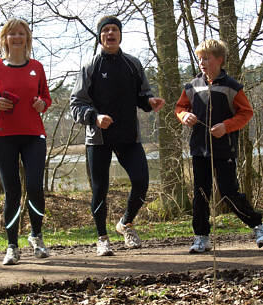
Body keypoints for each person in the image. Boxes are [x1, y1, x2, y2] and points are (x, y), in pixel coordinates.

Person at [70, 16, 165, 256]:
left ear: (120, 35)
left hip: (128, 136)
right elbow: (76, 104)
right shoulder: (90, 66)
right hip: (98, 138)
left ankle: (126, 223)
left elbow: (143, 95)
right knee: (100, 189)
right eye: (106, 30)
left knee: (142, 181)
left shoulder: (132, 64)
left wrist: (149, 102)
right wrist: (95, 117)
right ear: (100, 36)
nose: (110, 33)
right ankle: (102, 238)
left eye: (114, 30)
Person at [174, 39, 263, 254]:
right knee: (201, 193)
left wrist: (226, 127)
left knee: (228, 192)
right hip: (199, 148)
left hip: (224, 148)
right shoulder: (192, 86)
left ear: (219, 60)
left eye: (206, 58)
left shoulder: (232, 87)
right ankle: (201, 238)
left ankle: (259, 227)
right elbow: (180, 107)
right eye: (200, 58)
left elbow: (246, 113)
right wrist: (185, 116)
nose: (202, 62)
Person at [0, 18, 52, 265]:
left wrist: (43, 104)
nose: (17, 37)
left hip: (33, 136)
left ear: (27, 38)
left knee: (35, 187)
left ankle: (36, 236)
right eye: (12, 34)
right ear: (5, 39)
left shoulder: (37, 67)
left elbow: (46, 99)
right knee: (12, 192)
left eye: (21, 33)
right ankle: (12, 246)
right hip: (3, 137)